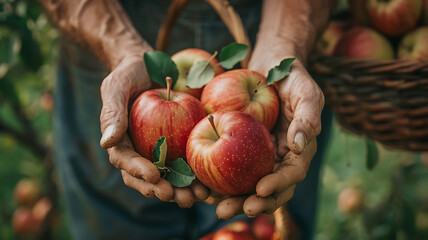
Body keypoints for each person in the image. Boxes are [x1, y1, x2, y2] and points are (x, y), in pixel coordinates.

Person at [39, 0, 335, 239]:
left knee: (263, 227)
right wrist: (121, 50)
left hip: (273, 20)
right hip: (107, 21)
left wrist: (284, 44)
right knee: (119, 226)